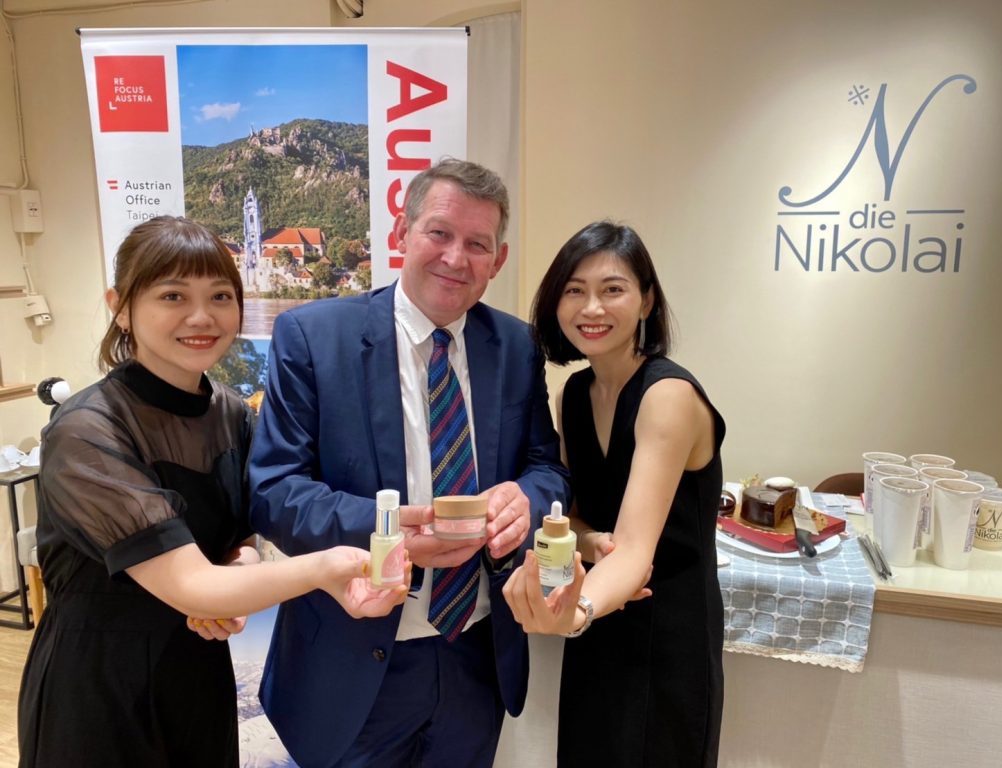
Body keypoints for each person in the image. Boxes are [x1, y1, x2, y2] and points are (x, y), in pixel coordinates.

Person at [17, 216, 409, 768]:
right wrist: (326, 567)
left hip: (198, 671)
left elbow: (236, 541)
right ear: (120, 307)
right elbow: (191, 583)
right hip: (99, 686)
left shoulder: (231, 413)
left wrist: (233, 581)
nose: (201, 317)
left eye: (220, 296)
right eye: (172, 296)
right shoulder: (87, 430)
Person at [248, 158, 571, 767]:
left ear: (498, 260)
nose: (455, 258)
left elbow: (546, 468)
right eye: (439, 233)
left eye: (477, 244)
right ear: (402, 231)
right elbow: (275, 493)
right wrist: (390, 534)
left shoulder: (517, 347)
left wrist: (525, 502)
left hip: (475, 656)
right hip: (351, 658)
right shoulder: (313, 338)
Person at [503, 221, 726, 767]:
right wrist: (586, 544)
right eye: (574, 290)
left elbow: (634, 551)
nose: (592, 308)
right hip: (600, 617)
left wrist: (574, 610)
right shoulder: (574, 394)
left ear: (646, 301)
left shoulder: (667, 396)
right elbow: (577, 521)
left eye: (612, 289)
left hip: (667, 630)